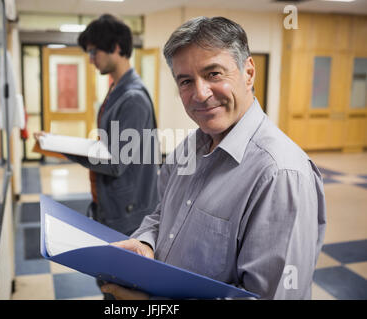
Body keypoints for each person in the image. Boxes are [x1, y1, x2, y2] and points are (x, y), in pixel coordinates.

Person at [101, 16, 327, 300]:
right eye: (185, 81)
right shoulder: (189, 147)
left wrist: (156, 306)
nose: (200, 93)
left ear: (248, 72)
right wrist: (145, 243)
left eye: (214, 74)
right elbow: (163, 215)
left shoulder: (280, 175)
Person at [35, 14, 160, 238]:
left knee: (118, 272)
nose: (91, 59)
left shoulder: (133, 98)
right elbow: (108, 147)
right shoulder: (117, 90)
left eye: (94, 51)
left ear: (116, 47)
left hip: (127, 212)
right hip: (109, 201)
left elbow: (115, 163)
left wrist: (63, 148)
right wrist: (56, 142)